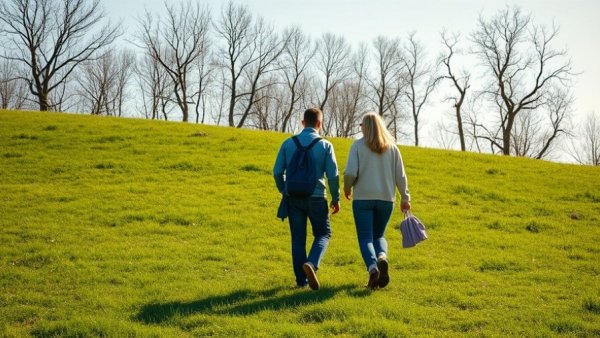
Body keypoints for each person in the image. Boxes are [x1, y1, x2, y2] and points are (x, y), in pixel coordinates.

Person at [273, 107, 341, 290]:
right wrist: (336, 198)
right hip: (317, 198)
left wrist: (284, 190)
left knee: (298, 239)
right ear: (319, 124)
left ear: (302, 123)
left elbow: (277, 171)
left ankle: (300, 282)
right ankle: (312, 263)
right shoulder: (325, 145)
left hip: (293, 197)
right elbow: (333, 176)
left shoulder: (288, 143)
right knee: (323, 234)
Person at [343, 112, 411, 290]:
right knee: (378, 235)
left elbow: (350, 172)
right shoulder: (393, 148)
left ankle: (373, 269)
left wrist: (347, 187)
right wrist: (405, 197)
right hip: (386, 199)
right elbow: (401, 176)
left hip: (363, 198)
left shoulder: (357, 146)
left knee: (365, 237)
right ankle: (382, 257)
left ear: (365, 127)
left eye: (361, 125)